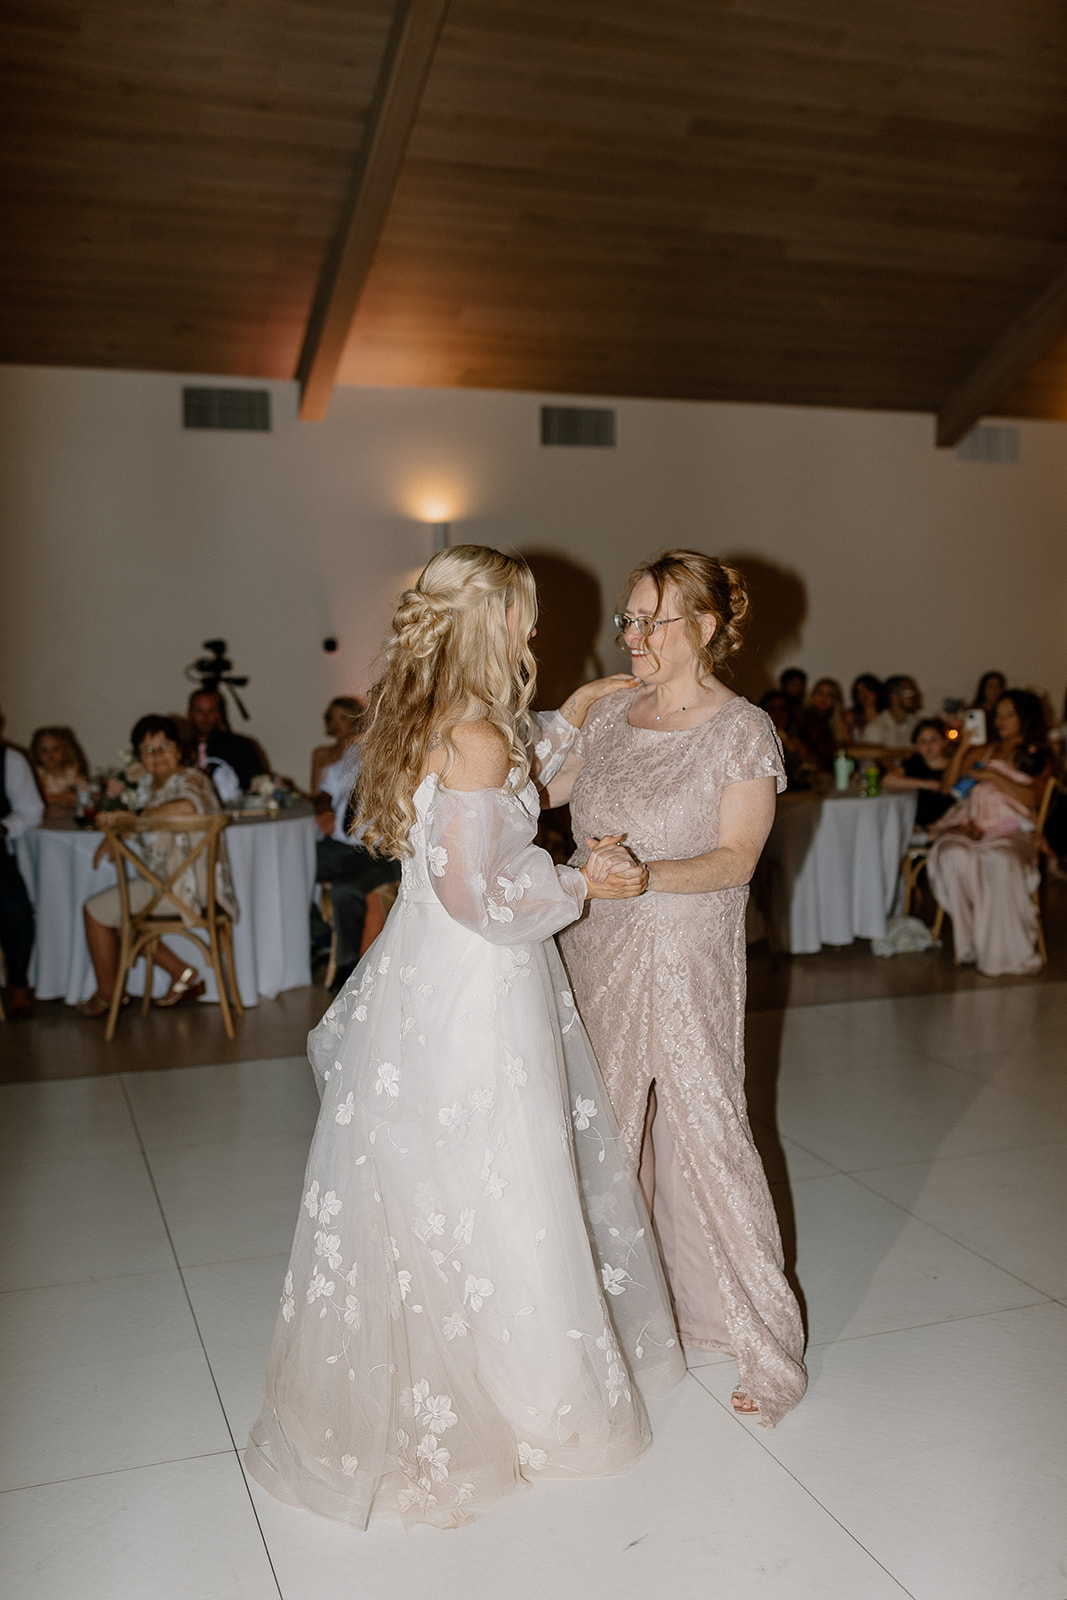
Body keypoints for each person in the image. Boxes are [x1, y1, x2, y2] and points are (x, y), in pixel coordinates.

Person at [247, 546, 685, 1529]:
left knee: (452, 1169)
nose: (533, 633)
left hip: (426, 972)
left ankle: (482, 1368)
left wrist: (568, 716)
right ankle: (527, 1397)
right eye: (521, 618)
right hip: (475, 980)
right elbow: (478, 891)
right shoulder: (477, 733)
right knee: (503, 1168)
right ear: (486, 626)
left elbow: (520, 786)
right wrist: (582, 880)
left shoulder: (425, 713)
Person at [553, 549, 807, 1428]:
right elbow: (528, 797)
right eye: (625, 619)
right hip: (594, 947)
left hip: (680, 948)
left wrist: (645, 877)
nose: (630, 636)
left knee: (707, 1136)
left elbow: (737, 859)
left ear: (701, 627)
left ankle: (765, 1346)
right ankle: (618, 1323)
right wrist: (574, 708)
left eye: (648, 620)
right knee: (607, 1133)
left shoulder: (740, 729)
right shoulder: (612, 714)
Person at [78, 715, 236, 1017]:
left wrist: (134, 818)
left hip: (192, 888)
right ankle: (182, 975)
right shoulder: (147, 787)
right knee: (117, 911)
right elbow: (144, 820)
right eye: (148, 750)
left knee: (98, 911)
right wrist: (117, 835)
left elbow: (187, 808)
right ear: (139, 756)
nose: (157, 755)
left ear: (179, 750)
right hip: (162, 885)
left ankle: (108, 995)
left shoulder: (192, 779)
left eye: (164, 746)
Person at [927, 690, 1052, 976]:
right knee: (952, 854)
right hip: (970, 826)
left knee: (1001, 859)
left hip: (1010, 831)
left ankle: (1001, 950)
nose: (1001, 720)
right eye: (998, 714)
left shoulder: (1033, 754)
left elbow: (1032, 798)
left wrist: (994, 776)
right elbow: (948, 789)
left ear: (1025, 717)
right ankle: (970, 942)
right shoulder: (980, 751)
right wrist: (962, 749)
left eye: (1009, 713)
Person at [314, 727, 400, 990]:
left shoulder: (409, 752)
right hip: (340, 844)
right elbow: (328, 786)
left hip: (381, 852)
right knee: (291, 869)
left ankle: (350, 966)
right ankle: (317, 940)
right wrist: (323, 808)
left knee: (345, 890)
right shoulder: (358, 748)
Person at [0, 708, 44, 1019]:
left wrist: (3, 828)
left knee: (14, 909)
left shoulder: (10, 761)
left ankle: (18, 985)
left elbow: (31, 811)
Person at [186, 688, 268, 792]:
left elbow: (256, 784)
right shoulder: (181, 750)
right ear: (189, 714)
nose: (205, 717)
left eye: (211, 711)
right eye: (199, 711)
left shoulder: (240, 747)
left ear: (219, 714)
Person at [882, 717, 955, 830]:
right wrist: (925, 784)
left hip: (948, 822)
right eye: (923, 741)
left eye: (933, 740)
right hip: (918, 824)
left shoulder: (953, 766)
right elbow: (887, 780)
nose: (928, 745)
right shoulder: (914, 763)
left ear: (945, 741)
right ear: (916, 745)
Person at [310, 695, 364, 797]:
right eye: (332, 719)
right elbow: (315, 793)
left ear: (354, 719)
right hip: (324, 810)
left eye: (343, 718)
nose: (336, 724)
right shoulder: (320, 753)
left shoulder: (362, 752)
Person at [30, 725, 90, 807]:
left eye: (55, 749)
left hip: (64, 812)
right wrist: (61, 797)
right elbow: (37, 798)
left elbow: (83, 789)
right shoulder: (38, 774)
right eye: (44, 750)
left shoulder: (69, 772)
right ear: (36, 753)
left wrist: (78, 794)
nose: (50, 754)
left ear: (65, 750)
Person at [799, 676, 849, 770]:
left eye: (829, 695)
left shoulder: (837, 722)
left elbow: (845, 748)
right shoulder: (802, 717)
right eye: (820, 692)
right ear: (813, 695)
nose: (824, 698)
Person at [859, 674, 922, 749]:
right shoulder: (876, 728)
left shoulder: (916, 724)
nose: (915, 695)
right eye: (909, 692)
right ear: (894, 698)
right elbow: (877, 759)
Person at [848, 673, 883, 742]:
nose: (864, 695)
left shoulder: (886, 714)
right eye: (860, 692)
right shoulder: (851, 716)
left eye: (867, 690)